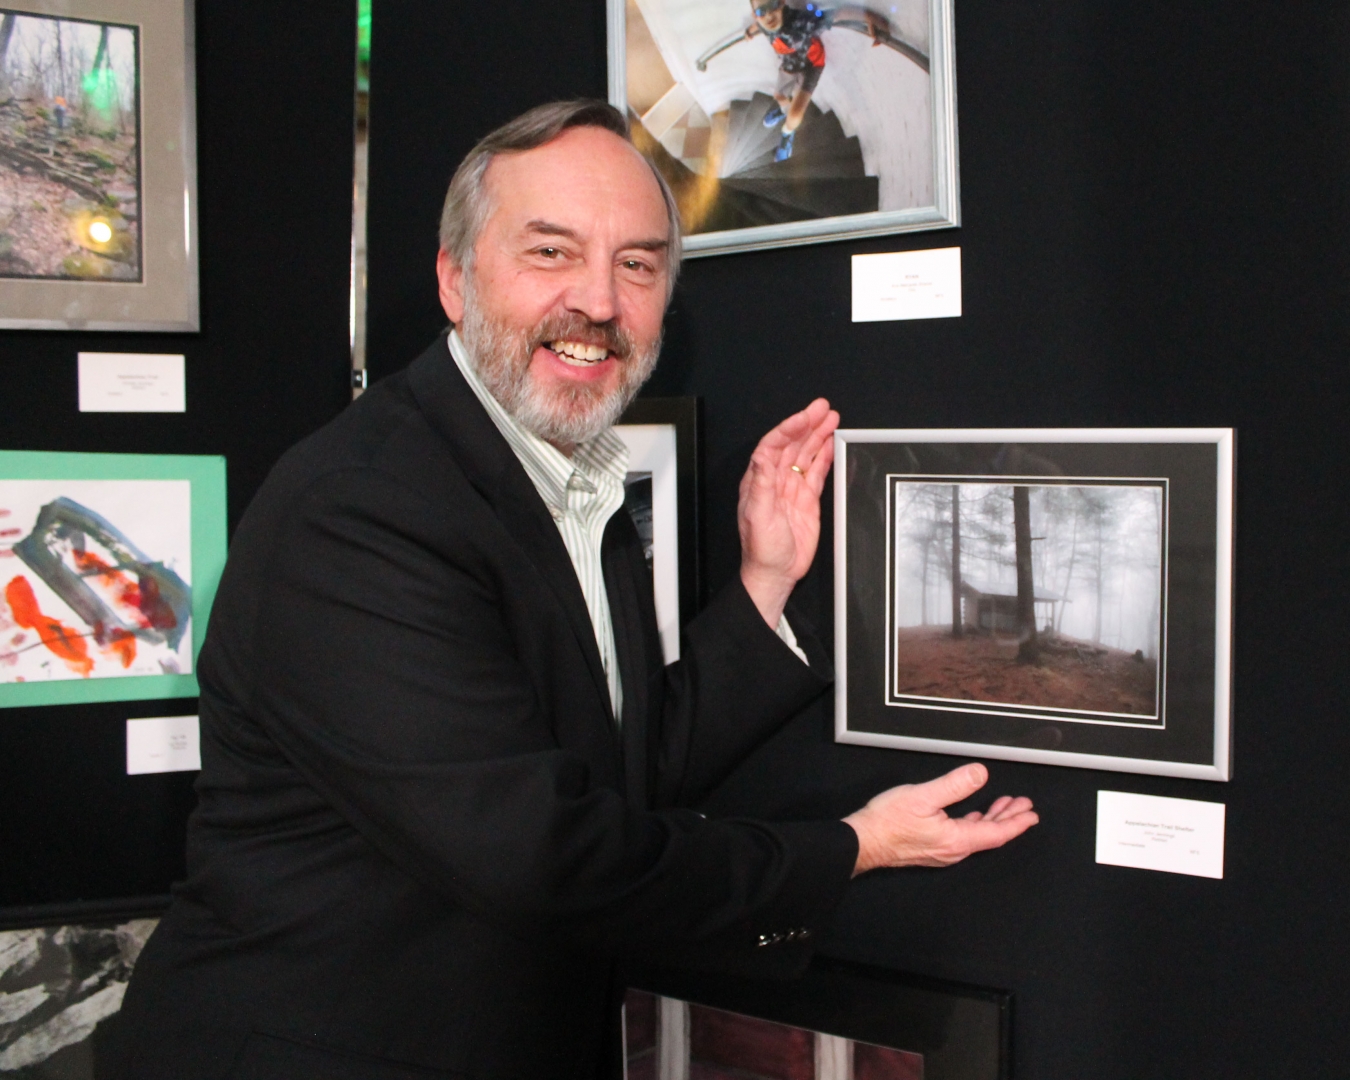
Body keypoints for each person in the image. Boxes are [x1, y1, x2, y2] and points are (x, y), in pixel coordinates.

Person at [107, 100, 1036, 1080]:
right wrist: (851, 849)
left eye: (637, 265)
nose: (599, 301)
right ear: (453, 279)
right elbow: (545, 855)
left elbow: (618, 765)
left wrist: (764, 580)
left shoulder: (566, 474)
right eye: (550, 253)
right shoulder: (360, 510)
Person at [746, 0, 886, 160]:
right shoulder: (764, 25)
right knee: (779, 96)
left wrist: (868, 16)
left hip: (812, 64)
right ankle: (784, 111)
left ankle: (787, 135)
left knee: (796, 114)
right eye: (761, 12)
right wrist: (749, 31)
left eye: (773, 5)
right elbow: (758, 25)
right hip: (789, 65)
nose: (769, 15)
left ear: (782, 2)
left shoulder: (803, 22)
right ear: (755, 16)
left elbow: (836, 14)